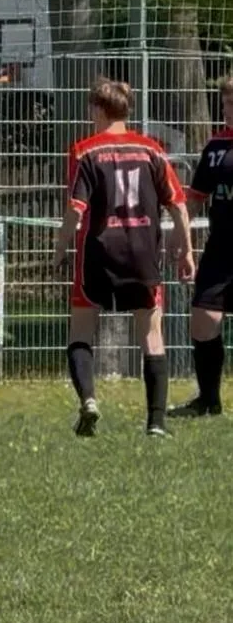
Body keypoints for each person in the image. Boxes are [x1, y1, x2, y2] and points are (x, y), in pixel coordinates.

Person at [52, 76, 193, 439]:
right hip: (143, 253)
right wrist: (187, 250)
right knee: (152, 335)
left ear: (99, 109)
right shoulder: (151, 150)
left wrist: (60, 247)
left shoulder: (84, 151)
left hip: (99, 253)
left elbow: (76, 209)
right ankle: (156, 422)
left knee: (80, 331)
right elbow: (178, 205)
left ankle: (89, 400)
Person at [171, 73, 233, 418]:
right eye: (224, 103)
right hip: (220, 251)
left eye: (232, 103)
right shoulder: (215, 149)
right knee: (203, 320)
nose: (227, 110)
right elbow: (195, 198)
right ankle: (209, 401)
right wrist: (182, 240)